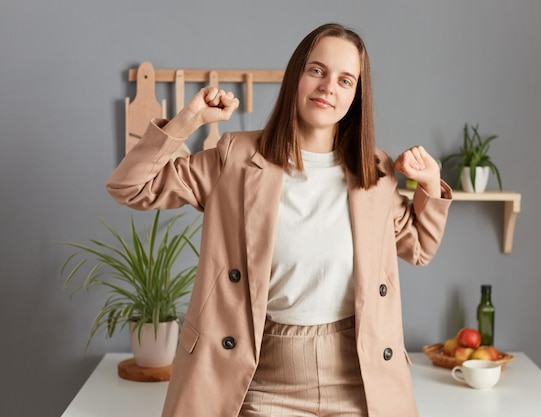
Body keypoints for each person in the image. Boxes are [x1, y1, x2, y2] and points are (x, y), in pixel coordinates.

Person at [107, 23, 452, 417]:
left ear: (356, 96)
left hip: (358, 379)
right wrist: (188, 120)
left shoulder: (375, 171)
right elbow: (130, 187)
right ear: (296, 77)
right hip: (260, 379)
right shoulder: (234, 158)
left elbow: (420, 248)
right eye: (317, 71)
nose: (328, 88)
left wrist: (429, 186)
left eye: (345, 80)